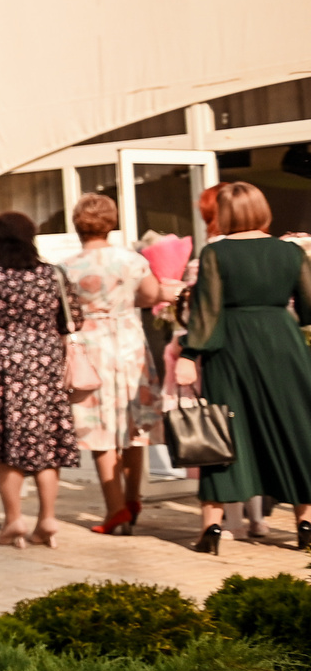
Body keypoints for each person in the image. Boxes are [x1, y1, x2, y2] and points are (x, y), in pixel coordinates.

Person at [174, 181, 311, 555]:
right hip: (282, 343)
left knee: (224, 433)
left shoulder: (215, 253)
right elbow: (308, 307)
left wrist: (189, 355)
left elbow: (207, 311)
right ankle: (305, 521)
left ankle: (212, 527)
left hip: (230, 348)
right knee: (295, 428)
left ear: (225, 214)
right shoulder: (291, 251)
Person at [0, 210, 77, 546]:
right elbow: (73, 318)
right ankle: (47, 520)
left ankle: (14, 520)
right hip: (44, 366)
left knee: (4, 444)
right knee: (45, 443)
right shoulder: (52, 274)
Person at [59, 194, 164, 535]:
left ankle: (115, 507)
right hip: (129, 344)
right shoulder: (132, 260)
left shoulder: (66, 267)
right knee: (135, 423)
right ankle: (133, 499)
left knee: (99, 426)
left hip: (90, 349)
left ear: (78, 225)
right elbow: (151, 295)